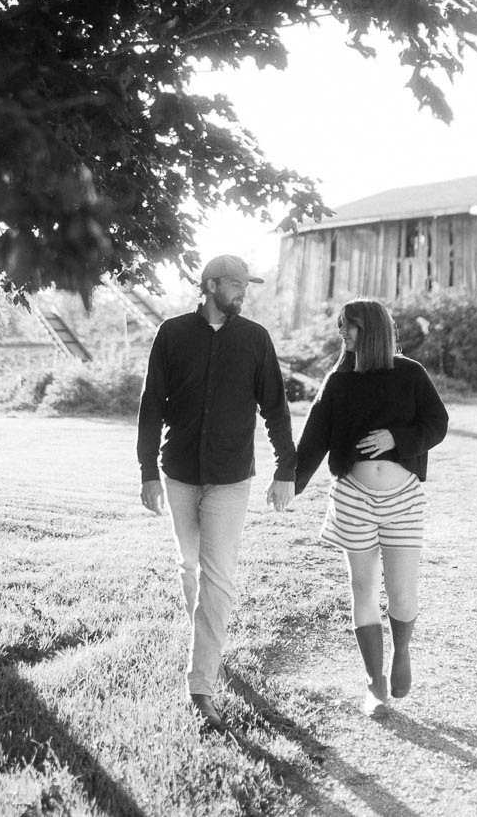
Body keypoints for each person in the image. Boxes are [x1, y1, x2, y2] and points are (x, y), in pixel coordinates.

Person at [137, 254, 296, 731]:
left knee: (217, 576)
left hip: (230, 477)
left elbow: (276, 407)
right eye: (234, 284)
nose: (243, 292)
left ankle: (201, 684)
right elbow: (151, 405)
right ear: (209, 285)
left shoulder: (255, 339)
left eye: (247, 284)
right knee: (190, 567)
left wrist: (285, 468)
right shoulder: (172, 334)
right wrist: (147, 470)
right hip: (180, 471)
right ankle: (208, 642)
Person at [294, 297, 448, 719]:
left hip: (402, 500)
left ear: (373, 329)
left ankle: (402, 652)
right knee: (362, 590)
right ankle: (373, 683)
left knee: (401, 593)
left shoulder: (411, 374)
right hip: (353, 499)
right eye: (342, 326)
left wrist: (396, 439)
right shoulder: (339, 381)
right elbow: (314, 439)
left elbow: (437, 424)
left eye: (351, 326)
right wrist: (289, 482)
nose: (342, 333)